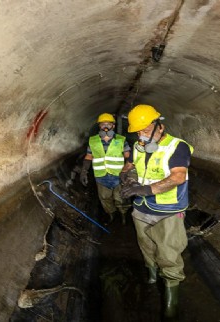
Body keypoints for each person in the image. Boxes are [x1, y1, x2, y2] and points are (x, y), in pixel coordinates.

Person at [119, 104, 193, 319]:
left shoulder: (177, 147)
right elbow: (130, 166)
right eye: (138, 132)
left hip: (168, 210)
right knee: (146, 245)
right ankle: (152, 274)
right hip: (141, 208)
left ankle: (171, 301)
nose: (141, 135)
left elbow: (178, 177)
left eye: (145, 130)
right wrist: (127, 177)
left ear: (160, 126)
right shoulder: (139, 145)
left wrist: (146, 189)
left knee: (168, 253)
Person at [80, 113, 131, 225]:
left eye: (109, 124)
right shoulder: (93, 141)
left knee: (121, 198)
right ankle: (111, 215)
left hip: (118, 176)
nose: (106, 126)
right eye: (103, 124)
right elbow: (89, 156)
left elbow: (129, 157)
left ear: (113, 126)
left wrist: (127, 171)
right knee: (105, 198)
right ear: (99, 126)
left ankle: (123, 215)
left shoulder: (122, 140)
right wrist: (84, 171)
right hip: (101, 176)